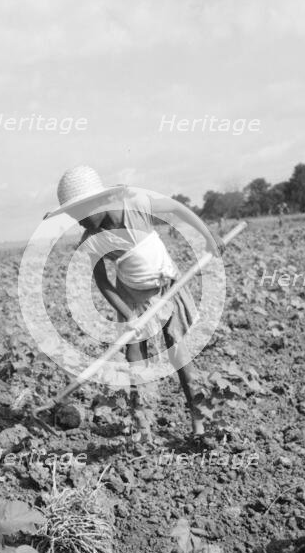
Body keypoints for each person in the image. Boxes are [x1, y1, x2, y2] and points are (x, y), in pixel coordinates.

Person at [44, 166, 223, 442]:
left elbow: (177, 209)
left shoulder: (136, 205)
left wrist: (209, 237)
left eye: (82, 214)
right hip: (131, 299)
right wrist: (129, 315)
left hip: (167, 288)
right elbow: (103, 282)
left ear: (101, 202)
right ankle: (143, 429)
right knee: (134, 364)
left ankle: (198, 424)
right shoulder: (91, 241)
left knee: (179, 355)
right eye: (73, 217)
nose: (79, 222)